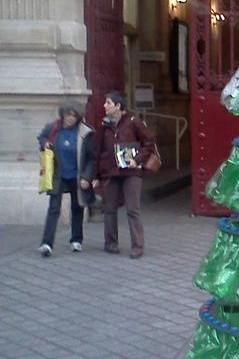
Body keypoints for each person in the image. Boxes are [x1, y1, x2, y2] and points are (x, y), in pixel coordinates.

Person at [93, 90, 155, 259]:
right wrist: (95, 176)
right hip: (110, 172)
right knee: (109, 209)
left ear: (118, 106)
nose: (104, 105)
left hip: (131, 172)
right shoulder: (104, 126)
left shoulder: (133, 122)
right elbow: (98, 151)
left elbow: (148, 142)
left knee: (132, 209)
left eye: (108, 103)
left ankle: (137, 246)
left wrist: (137, 159)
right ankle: (111, 243)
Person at [38, 105, 96, 256]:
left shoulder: (84, 132)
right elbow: (42, 137)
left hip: (77, 176)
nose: (70, 118)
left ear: (78, 117)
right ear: (62, 115)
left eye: (74, 116)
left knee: (77, 208)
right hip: (58, 175)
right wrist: (44, 143)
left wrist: (86, 177)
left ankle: (76, 240)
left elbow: (91, 158)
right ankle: (46, 243)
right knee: (53, 209)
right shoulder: (53, 128)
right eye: (68, 115)